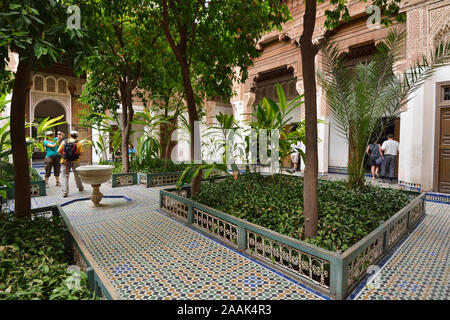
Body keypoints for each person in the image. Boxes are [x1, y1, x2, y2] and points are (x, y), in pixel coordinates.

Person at [58, 130, 84, 197]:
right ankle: (80, 187)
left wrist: (64, 156)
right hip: (75, 161)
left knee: (65, 176)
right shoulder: (78, 143)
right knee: (77, 174)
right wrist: (76, 156)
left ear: (70, 135)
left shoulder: (64, 141)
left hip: (65, 161)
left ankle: (65, 192)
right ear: (77, 136)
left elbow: (58, 151)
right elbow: (81, 153)